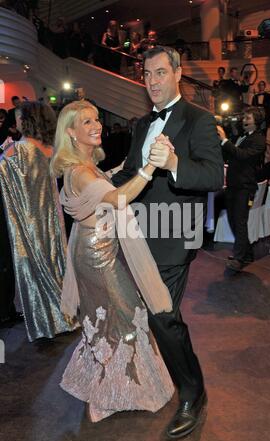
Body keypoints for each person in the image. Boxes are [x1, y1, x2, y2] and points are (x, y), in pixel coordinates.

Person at [112, 45, 223, 439]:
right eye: (146, 74)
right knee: (152, 315)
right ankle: (160, 378)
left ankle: (192, 393)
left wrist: (175, 163)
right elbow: (129, 172)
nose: (152, 81)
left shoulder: (199, 120)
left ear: (177, 73)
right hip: (137, 233)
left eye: (160, 72)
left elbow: (213, 178)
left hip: (174, 235)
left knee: (163, 316)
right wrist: (95, 183)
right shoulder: (142, 124)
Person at [51, 100, 174, 423]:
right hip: (96, 257)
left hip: (101, 249)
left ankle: (110, 385)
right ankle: (105, 396)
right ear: (71, 133)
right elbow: (118, 197)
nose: (96, 126)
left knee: (117, 318)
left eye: (96, 119)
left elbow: (108, 183)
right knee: (121, 318)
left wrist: (132, 164)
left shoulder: (86, 165)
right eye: (86, 122)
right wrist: (150, 167)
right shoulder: (77, 171)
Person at [0, 101, 74, 342]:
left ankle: (47, 321)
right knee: (55, 264)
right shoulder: (50, 148)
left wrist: (3, 153)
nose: (16, 121)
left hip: (29, 223)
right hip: (52, 221)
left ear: (28, 120)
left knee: (34, 268)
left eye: (20, 117)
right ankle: (66, 314)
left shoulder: (17, 150)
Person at [217, 106, 266, 272]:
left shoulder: (259, 140)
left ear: (256, 122)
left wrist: (224, 141)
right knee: (233, 220)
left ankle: (238, 258)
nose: (244, 120)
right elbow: (232, 155)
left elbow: (242, 155)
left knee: (239, 221)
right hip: (233, 185)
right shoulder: (241, 136)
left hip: (244, 187)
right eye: (244, 117)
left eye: (248, 118)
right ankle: (247, 252)